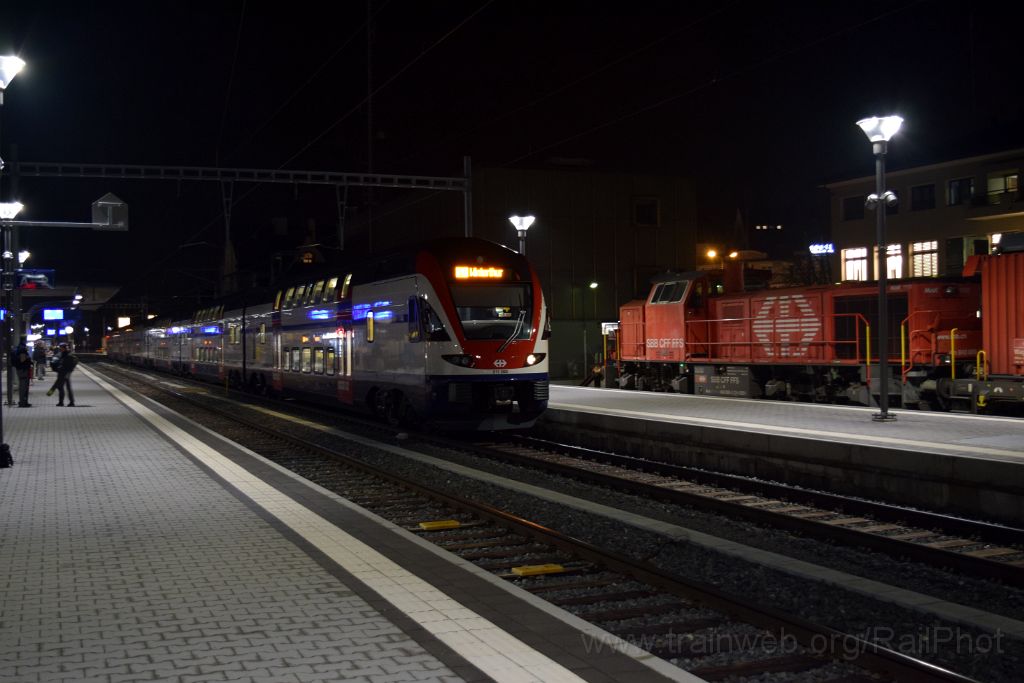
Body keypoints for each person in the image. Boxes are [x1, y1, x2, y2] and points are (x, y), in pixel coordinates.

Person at [11, 341, 33, 407]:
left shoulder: (18, 350)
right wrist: (28, 360)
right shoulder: (22, 350)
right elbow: (22, 360)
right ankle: (23, 402)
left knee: (23, 386)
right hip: (23, 371)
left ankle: (23, 401)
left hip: (20, 370)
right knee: (24, 387)